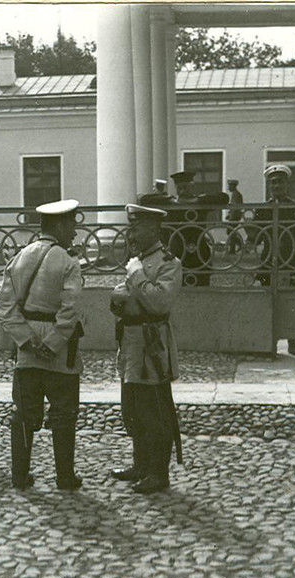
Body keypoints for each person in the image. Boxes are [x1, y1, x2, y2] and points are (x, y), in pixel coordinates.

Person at [0, 198, 85, 491]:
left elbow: (6, 308)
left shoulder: (19, 257)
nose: (74, 231)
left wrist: (26, 340)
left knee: (23, 412)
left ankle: (19, 476)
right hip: (60, 351)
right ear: (59, 225)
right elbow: (70, 309)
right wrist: (54, 342)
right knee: (63, 412)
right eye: (71, 224)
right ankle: (64, 477)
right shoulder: (68, 261)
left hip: (27, 350)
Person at [110, 203, 183, 495]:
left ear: (154, 229)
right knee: (133, 410)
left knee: (154, 411)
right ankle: (140, 464)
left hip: (152, 346)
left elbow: (159, 302)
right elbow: (123, 299)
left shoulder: (168, 263)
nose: (131, 234)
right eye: (131, 227)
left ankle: (158, 472)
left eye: (137, 228)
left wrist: (137, 276)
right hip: (131, 342)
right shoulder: (136, 261)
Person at [253, 165, 295, 357]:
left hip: (291, 259)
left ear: (287, 184)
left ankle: (293, 343)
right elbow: (255, 236)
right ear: (269, 185)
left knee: (293, 301)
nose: (277, 185)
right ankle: (269, 342)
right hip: (269, 259)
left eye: (280, 181)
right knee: (268, 301)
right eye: (273, 182)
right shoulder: (263, 209)